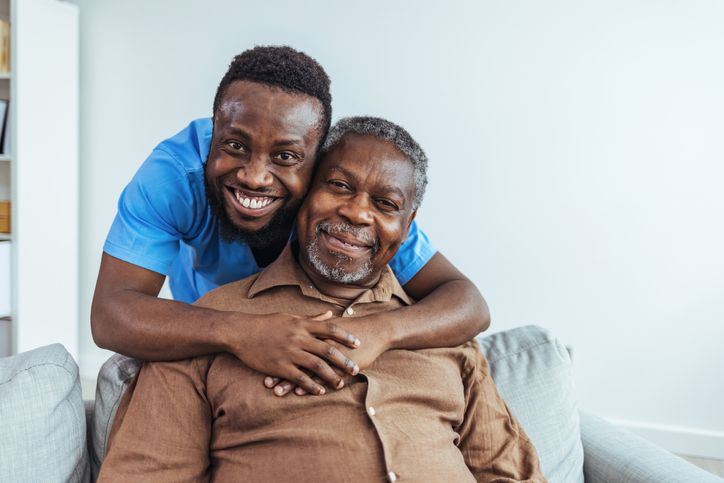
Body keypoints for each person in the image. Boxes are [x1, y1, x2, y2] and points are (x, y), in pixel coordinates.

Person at [97, 117, 546, 483]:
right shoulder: (192, 334)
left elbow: (507, 472)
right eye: (340, 186)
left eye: (385, 204)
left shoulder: (444, 333)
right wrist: (235, 329)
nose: (357, 212)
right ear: (303, 194)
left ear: (407, 229)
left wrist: (379, 332)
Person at [91, 45, 490, 397]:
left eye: (284, 156)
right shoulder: (174, 176)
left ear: (318, 160)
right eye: (234, 145)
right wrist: (244, 331)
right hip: (204, 333)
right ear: (214, 133)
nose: (254, 176)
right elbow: (111, 315)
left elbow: (467, 302)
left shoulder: (346, 196)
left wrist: (380, 333)